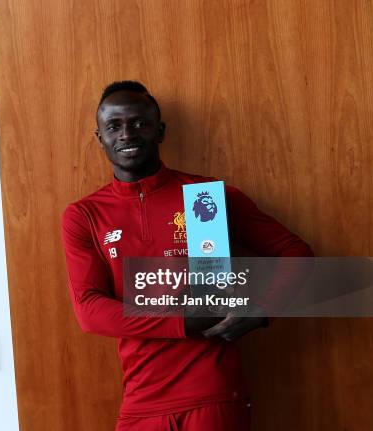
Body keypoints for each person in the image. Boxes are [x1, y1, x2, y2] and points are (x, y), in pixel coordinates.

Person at [61, 81, 313, 431]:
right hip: (141, 400)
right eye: (114, 126)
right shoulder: (85, 215)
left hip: (213, 393)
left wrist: (261, 311)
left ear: (160, 131)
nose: (127, 134)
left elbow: (296, 255)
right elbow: (89, 311)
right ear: (99, 136)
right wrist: (181, 320)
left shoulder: (203, 197)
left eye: (140, 123)